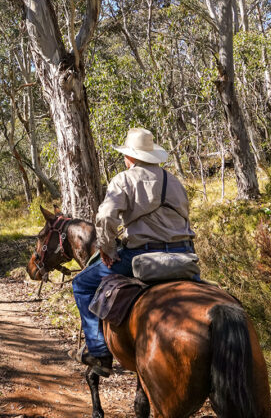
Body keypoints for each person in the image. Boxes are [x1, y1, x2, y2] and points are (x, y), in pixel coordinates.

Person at [72, 127, 195, 376]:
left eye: (125, 155)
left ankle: (99, 352)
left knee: (81, 284)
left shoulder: (123, 180)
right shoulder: (174, 181)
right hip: (183, 256)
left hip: (140, 257)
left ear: (131, 157)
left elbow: (106, 216)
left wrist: (107, 248)